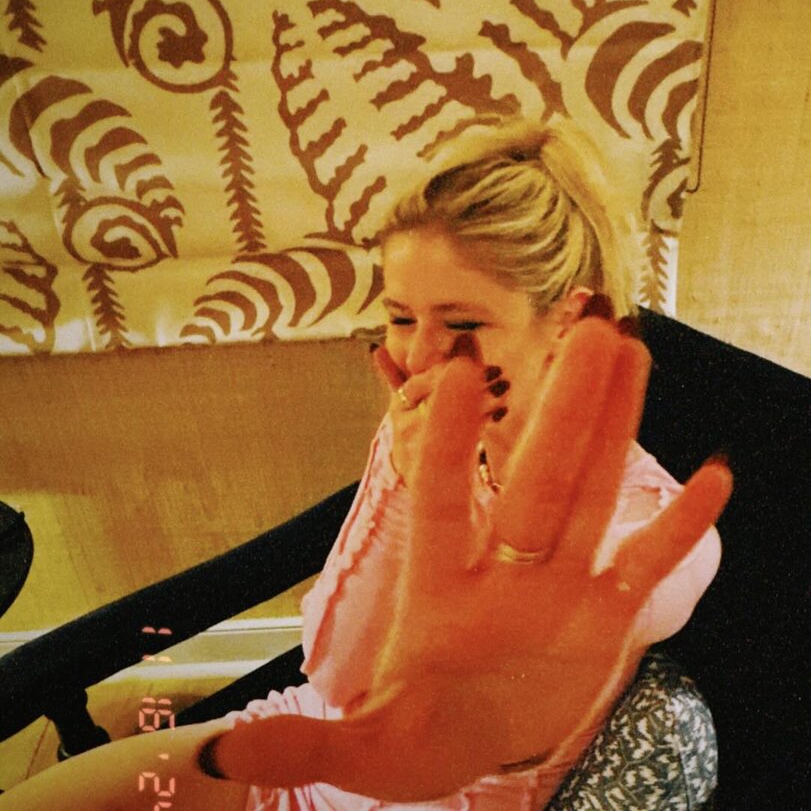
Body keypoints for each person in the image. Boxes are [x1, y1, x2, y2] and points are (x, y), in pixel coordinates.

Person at [1, 119, 731, 811]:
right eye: (401, 317)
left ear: (569, 322)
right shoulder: (423, 433)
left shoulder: (657, 537)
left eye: (463, 324)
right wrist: (410, 487)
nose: (418, 354)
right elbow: (335, 677)